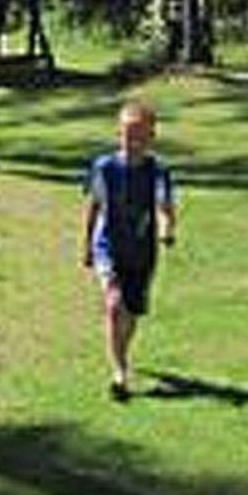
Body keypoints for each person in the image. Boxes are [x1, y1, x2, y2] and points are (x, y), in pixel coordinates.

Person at [81, 98, 179, 401]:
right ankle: (120, 372)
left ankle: (122, 353)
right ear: (118, 134)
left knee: (132, 312)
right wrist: (86, 245)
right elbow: (94, 205)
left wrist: (166, 230)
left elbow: (165, 206)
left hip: (142, 250)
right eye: (127, 134)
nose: (132, 141)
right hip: (108, 245)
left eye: (139, 135)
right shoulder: (105, 167)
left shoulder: (157, 170)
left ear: (152, 137)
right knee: (113, 304)